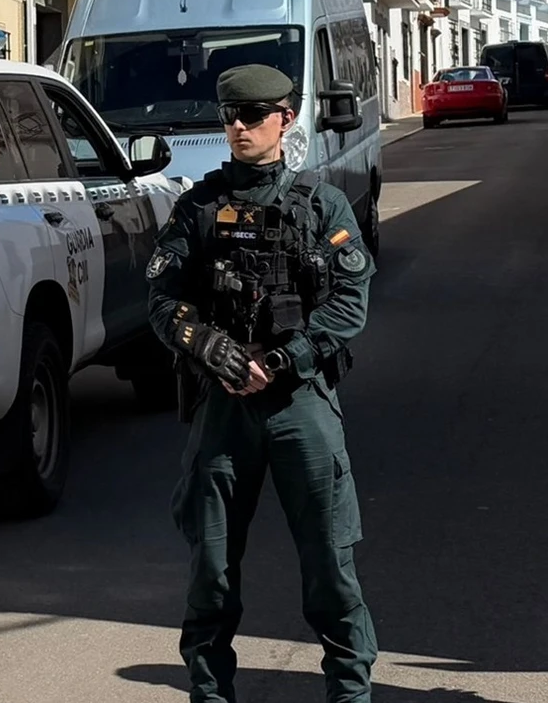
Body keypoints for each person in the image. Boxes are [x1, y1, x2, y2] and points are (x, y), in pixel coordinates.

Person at [146, 63, 379, 703]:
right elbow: (163, 299)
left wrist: (282, 361)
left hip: (298, 402)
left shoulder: (319, 204)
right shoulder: (198, 206)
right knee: (211, 570)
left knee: (331, 566)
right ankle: (210, 693)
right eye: (229, 117)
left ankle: (350, 693)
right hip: (223, 408)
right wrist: (205, 343)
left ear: (285, 118)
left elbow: (349, 303)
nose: (238, 128)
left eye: (251, 117)